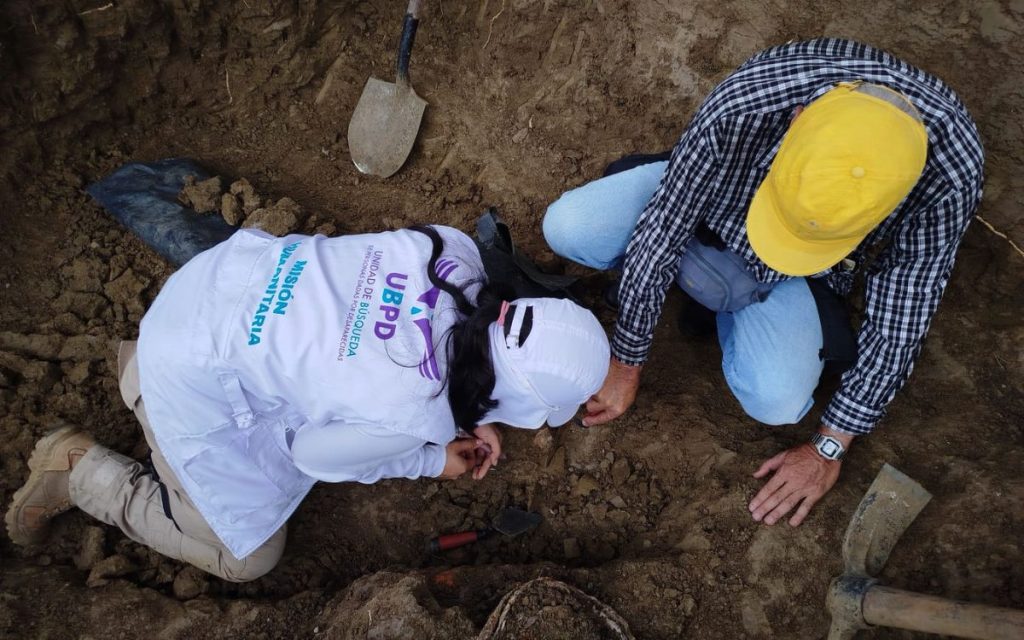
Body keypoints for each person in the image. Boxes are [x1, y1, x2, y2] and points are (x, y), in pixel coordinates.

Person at [542, 38, 984, 527]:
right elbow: (666, 223)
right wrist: (627, 358)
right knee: (570, 227)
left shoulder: (948, 176)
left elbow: (902, 316)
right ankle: (702, 284)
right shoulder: (759, 94)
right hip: (710, 200)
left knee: (778, 401)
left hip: (799, 276)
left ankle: (726, 300)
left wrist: (828, 448)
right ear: (796, 120)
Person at [5, 224, 610, 581]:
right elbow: (312, 454)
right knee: (250, 557)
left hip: (211, 287)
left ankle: (154, 366)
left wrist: (466, 407)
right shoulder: (414, 406)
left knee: (315, 367)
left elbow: (420, 334)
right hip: (184, 373)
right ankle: (81, 471)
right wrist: (427, 455)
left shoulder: (453, 251)